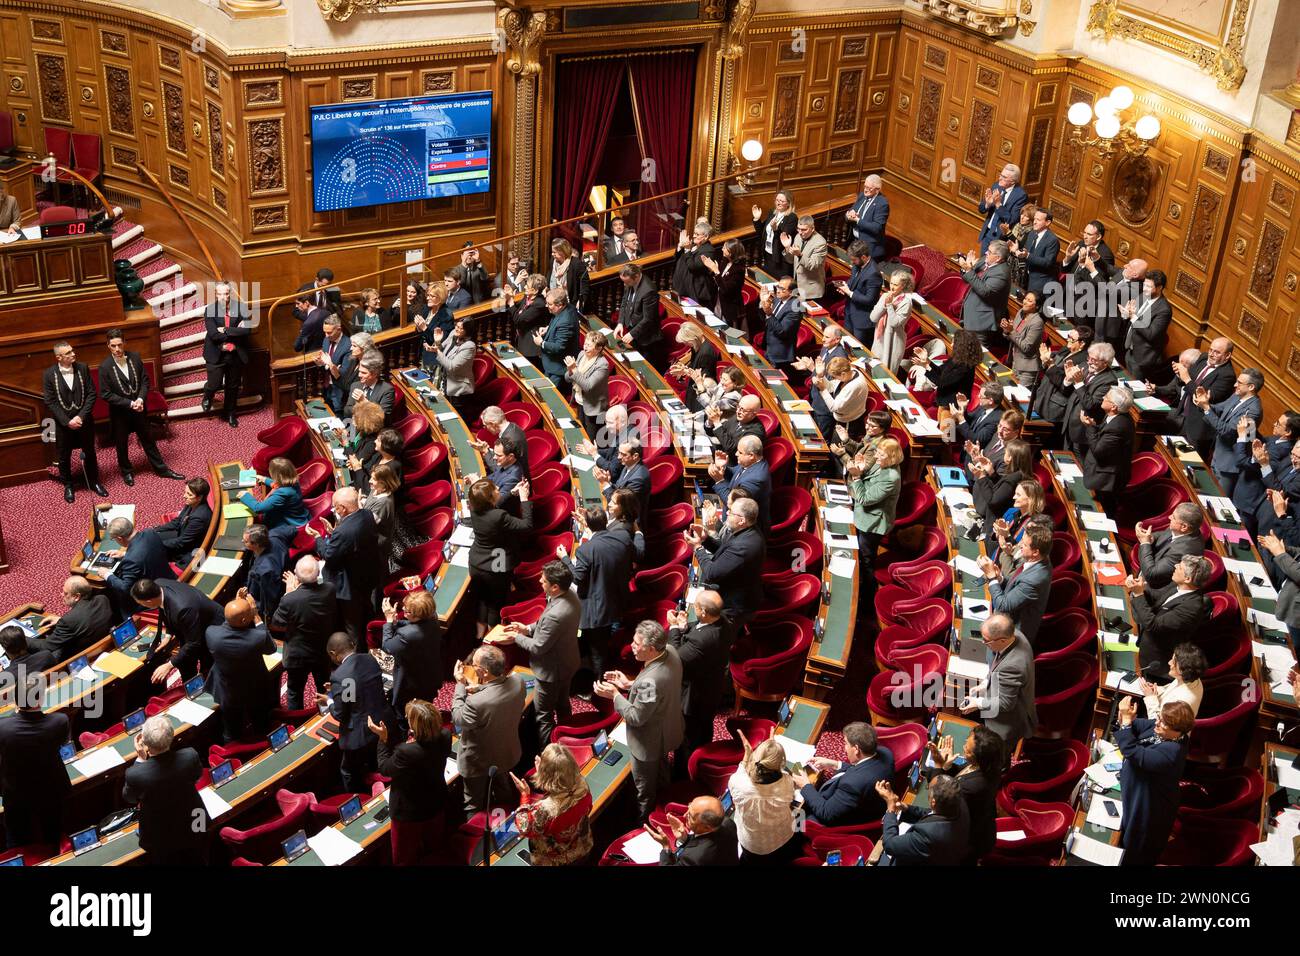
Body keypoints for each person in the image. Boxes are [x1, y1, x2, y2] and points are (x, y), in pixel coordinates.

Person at [594, 621, 683, 821]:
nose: (631, 646)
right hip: (669, 728)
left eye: (636, 644)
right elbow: (657, 687)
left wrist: (616, 695)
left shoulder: (649, 681)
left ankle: (644, 822)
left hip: (648, 743)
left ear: (651, 649)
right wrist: (629, 684)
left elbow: (636, 717)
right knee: (661, 773)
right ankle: (664, 799)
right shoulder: (670, 650)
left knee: (644, 790)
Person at [503, 561, 581, 746]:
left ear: (555, 586)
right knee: (562, 704)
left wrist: (516, 637)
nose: (539, 581)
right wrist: (527, 628)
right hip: (567, 661)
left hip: (551, 671)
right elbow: (547, 625)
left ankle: (548, 756)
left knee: (543, 716)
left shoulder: (557, 613)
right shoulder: (571, 593)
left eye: (544, 580)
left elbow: (538, 646)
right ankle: (567, 738)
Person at [1114, 697, 1194, 865]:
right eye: (1159, 717)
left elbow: (1132, 751)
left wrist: (1127, 722)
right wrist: (1127, 718)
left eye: (1163, 723)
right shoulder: (1161, 728)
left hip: (1149, 808)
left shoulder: (1172, 753)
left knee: (1135, 850)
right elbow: (1136, 726)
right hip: (1136, 791)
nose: (1156, 723)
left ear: (1178, 731)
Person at [371, 699, 451, 865]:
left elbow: (385, 769)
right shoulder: (445, 735)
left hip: (409, 814)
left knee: (403, 858)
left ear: (415, 726)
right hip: (436, 802)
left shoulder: (407, 752)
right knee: (434, 848)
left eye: (409, 718)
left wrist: (382, 739)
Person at [561, 506, 636, 681]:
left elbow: (578, 579)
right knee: (594, 644)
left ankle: (598, 686)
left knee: (597, 652)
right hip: (616, 602)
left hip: (596, 612)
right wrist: (638, 534)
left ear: (588, 524)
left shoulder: (585, 550)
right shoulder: (622, 539)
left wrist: (565, 559)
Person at [98, 330, 182, 484]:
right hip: (120, 414)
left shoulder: (135, 357)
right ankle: (127, 472)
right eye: (113, 346)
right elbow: (106, 394)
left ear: (125, 342)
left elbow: (144, 381)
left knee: (148, 439)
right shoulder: (105, 367)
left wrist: (141, 399)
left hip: (139, 408)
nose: (117, 349)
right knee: (122, 444)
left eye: (119, 344)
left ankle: (161, 469)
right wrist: (130, 403)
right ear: (108, 346)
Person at [453, 645, 526, 816]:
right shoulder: (518, 681)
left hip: (478, 761)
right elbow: (496, 696)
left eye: (474, 665)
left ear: (485, 672)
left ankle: (475, 835)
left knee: (473, 803)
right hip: (506, 752)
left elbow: (458, 718)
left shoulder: (476, 703)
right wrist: (479, 689)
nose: (472, 666)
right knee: (503, 791)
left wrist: (460, 685)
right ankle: (506, 820)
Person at [122, 716, 207, 865]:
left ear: (145, 743)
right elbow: (197, 776)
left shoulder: (135, 773)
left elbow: (130, 798)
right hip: (195, 825)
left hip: (160, 839)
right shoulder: (189, 756)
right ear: (172, 736)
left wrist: (141, 760)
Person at [0, 675, 70, 849]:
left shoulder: (3, 727)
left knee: (17, 837)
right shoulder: (60, 721)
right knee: (52, 831)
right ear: (41, 699)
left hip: (16, 793)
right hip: (51, 788)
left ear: (16, 700)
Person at [320, 631, 394, 794]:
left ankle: (358, 799)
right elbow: (358, 689)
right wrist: (337, 691)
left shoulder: (343, 675)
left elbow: (341, 712)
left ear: (333, 653)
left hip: (362, 734)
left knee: (348, 771)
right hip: (383, 722)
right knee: (377, 760)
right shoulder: (369, 659)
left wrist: (330, 700)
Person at [307, 486, 383, 645]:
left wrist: (318, 538)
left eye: (335, 506)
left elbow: (329, 556)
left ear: (342, 508)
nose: (334, 509)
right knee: (365, 610)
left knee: (352, 625)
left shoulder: (343, 532)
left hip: (349, 585)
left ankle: (355, 657)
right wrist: (334, 532)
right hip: (367, 576)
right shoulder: (367, 514)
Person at [666, 590, 730, 770]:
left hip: (694, 697)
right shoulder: (724, 621)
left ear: (703, 612)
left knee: (687, 739)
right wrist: (684, 625)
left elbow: (675, 659)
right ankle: (702, 763)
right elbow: (698, 629)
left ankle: (683, 777)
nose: (693, 606)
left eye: (696, 605)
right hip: (712, 688)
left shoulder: (702, 640)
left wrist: (674, 628)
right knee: (704, 730)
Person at [960, 613, 1036, 760]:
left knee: (996, 757)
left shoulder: (1013, 666)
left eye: (986, 641)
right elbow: (998, 660)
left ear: (1001, 640)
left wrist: (979, 703)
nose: (983, 643)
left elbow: (1006, 704)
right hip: (1003, 699)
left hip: (1006, 724)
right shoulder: (1014, 634)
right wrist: (985, 683)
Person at [924, 725, 1003, 863]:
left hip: (968, 839)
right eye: (967, 741)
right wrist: (947, 766)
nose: (964, 747)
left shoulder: (972, 786)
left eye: (968, 750)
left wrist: (938, 766)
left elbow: (937, 794)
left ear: (979, 758)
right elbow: (961, 772)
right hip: (980, 822)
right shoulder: (989, 765)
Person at [1127, 555, 1213, 681]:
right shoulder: (1178, 586)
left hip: (1157, 664)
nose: (1175, 566)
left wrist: (1139, 594)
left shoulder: (1191, 608)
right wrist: (1139, 589)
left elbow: (1154, 625)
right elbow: (1158, 601)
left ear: (1187, 578)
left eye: (1180, 567)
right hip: (1146, 645)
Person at [793, 722, 894, 828]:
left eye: (845, 743)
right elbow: (861, 768)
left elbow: (826, 813)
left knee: (796, 818)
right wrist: (835, 764)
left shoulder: (852, 785)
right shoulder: (886, 753)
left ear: (856, 749)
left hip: (841, 822)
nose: (844, 748)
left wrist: (805, 786)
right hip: (869, 803)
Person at [687, 496, 766, 632]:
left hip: (734, 606)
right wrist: (705, 539)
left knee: (724, 635)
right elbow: (724, 550)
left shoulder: (744, 545)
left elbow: (711, 574)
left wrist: (698, 548)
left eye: (731, 511)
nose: (727, 513)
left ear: (742, 520)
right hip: (736, 591)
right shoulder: (746, 531)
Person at [269, 555, 337, 710]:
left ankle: (297, 724)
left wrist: (289, 592)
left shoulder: (290, 600)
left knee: (294, 692)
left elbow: (276, 623)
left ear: (296, 575)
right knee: (324, 688)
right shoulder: (329, 590)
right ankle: (327, 714)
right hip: (322, 651)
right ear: (318, 572)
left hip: (297, 656)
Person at [205, 597, 277, 742]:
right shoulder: (258, 637)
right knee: (260, 723)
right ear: (245, 620)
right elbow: (272, 648)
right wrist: (256, 617)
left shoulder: (211, 633)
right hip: (254, 688)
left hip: (227, 691)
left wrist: (238, 603)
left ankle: (232, 753)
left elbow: (230, 620)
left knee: (231, 729)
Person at [468, 476, 533, 636]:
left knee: (482, 600)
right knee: (495, 605)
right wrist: (524, 499)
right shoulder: (499, 516)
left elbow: (493, 505)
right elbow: (527, 525)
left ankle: (479, 637)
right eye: (496, 489)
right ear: (490, 498)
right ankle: (491, 641)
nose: (498, 488)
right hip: (495, 565)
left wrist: (512, 492)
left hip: (476, 563)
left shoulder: (475, 508)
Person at [43, 341, 107, 501]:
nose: (73, 354)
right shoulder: (49, 374)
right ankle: (68, 485)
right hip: (63, 424)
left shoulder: (83, 368)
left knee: (90, 452)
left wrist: (81, 416)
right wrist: (67, 421)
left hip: (84, 420)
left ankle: (94, 481)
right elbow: (50, 401)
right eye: (68, 353)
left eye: (72, 350)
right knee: (64, 455)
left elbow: (92, 393)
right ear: (58, 357)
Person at [510, 744, 593, 865]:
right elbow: (563, 790)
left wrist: (524, 795)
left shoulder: (544, 809)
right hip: (583, 850)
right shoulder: (582, 784)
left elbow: (524, 826)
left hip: (555, 861)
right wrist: (544, 773)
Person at [727, 733, 801, 864]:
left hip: (752, 846)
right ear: (780, 763)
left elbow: (742, 773)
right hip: (783, 839)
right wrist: (772, 751)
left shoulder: (737, 782)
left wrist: (747, 756)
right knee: (802, 815)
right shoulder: (787, 782)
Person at [1194, 366, 1264, 498]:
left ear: (1251, 387)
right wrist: (1204, 403)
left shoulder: (1254, 411)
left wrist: (1207, 409)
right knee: (1206, 494)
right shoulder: (1237, 396)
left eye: (1239, 383)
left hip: (1229, 465)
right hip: (1217, 455)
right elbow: (1219, 409)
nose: (1235, 384)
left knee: (1218, 500)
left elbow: (1227, 432)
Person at [980, 522, 1053, 646]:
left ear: (1035, 552)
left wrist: (992, 577)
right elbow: (1016, 585)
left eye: (1024, 545)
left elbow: (1003, 605)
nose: (1019, 546)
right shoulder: (1038, 560)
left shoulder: (1035, 579)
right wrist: (1000, 578)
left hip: (1011, 637)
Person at [876, 774, 970, 865]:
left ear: (933, 802)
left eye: (928, 789)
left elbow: (889, 845)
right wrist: (906, 808)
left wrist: (891, 809)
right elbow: (931, 813)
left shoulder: (928, 835)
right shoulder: (958, 802)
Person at [381, 589, 442, 718]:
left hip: (411, 683)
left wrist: (389, 622)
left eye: (407, 610)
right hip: (431, 675)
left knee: (404, 713)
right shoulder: (433, 618)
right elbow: (413, 625)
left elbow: (387, 646)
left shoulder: (406, 635)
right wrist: (396, 622)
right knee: (426, 708)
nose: (403, 609)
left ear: (416, 615)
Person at [1177, 337, 1237, 463]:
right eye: (1211, 349)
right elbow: (1189, 382)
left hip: (1199, 428)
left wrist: (1186, 379)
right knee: (1175, 457)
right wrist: (1181, 375)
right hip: (1184, 416)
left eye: (1217, 352)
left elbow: (1203, 399)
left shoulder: (1227, 376)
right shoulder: (1204, 357)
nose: (1211, 354)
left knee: (1190, 464)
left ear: (1227, 355)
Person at [28, 575, 112, 663]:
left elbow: (46, 646)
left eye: (65, 593)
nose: (61, 595)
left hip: (78, 658)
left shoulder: (68, 620)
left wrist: (20, 637)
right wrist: (61, 619)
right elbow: (85, 618)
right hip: (102, 646)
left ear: (76, 597)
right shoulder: (103, 599)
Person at [201, 282, 252, 427]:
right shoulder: (210, 310)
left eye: (226, 293)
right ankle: (208, 395)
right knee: (214, 384)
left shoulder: (241, 308)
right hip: (216, 352)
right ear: (216, 294)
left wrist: (225, 329)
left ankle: (230, 412)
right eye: (220, 294)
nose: (224, 297)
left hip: (235, 352)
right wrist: (234, 332)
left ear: (231, 293)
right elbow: (213, 334)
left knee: (232, 386)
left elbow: (247, 331)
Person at [848, 437, 903, 570]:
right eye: (877, 451)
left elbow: (865, 499)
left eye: (881, 454)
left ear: (892, 457)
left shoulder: (891, 478)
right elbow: (868, 478)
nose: (876, 455)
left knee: (865, 557)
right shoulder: (882, 463)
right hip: (863, 513)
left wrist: (856, 477)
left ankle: (868, 588)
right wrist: (861, 469)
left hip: (872, 522)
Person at [1081, 385, 1137, 512]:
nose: (1103, 397)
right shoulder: (1113, 415)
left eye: (1107, 397)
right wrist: (1094, 426)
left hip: (1107, 479)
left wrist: (1090, 428)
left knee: (1104, 510)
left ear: (1114, 407)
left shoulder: (1118, 426)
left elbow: (1098, 451)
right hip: (1105, 470)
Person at [102, 517, 175, 611]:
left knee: (117, 598)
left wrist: (107, 575)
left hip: (154, 593)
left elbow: (125, 588)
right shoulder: (150, 532)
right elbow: (149, 551)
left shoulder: (131, 560)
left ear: (119, 538)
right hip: (168, 576)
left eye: (113, 539)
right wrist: (125, 554)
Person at [1062, 342, 1119, 456]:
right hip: (1069, 422)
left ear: (1106, 363)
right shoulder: (1084, 366)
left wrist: (1078, 383)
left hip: (1082, 431)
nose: (1089, 362)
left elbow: (1090, 405)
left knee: (1078, 465)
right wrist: (1068, 380)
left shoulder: (1109, 381)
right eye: (1089, 358)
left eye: (1094, 360)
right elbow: (1067, 392)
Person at [648, 795, 739, 866]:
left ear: (707, 827)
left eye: (690, 816)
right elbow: (703, 840)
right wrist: (684, 838)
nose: (684, 816)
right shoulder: (728, 823)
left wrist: (666, 846)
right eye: (689, 807)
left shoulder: (693, 858)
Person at [1133, 502, 1205, 590]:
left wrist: (1145, 543)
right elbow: (1163, 534)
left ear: (1184, 527)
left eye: (1173, 517)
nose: (1169, 517)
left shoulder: (1183, 551)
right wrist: (1150, 538)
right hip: (1143, 573)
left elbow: (1151, 574)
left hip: (1151, 590)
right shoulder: (1185, 530)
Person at [240, 457, 310, 546]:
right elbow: (281, 483)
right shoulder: (293, 480)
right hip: (296, 514)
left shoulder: (283, 493)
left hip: (289, 524)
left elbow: (258, 508)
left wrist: (245, 496)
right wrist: (265, 479)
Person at [709, 434, 772, 535]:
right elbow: (736, 473)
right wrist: (723, 467)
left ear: (751, 455)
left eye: (740, 452)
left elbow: (734, 504)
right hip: (734, 520)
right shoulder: (752, 463)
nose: (736, 454)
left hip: (744, 529)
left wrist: (719, 481)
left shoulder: (756, 479)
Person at [614, 262, 668, 371]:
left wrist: (632, 334)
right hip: (634, 333)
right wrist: (620, 323)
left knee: (645, 369)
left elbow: (648, 319)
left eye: (627, 282)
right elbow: (624, 303)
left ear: (637, 276)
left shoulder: (649, 290)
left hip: (648, 340)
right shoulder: (629, 283)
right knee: (632, 366)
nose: (625, 285)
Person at [958, 240, 1011, 349]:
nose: (986, 253)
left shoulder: (1002, 273)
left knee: (976, 356)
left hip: (982, 323)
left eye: (990, 252)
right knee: (964, 351)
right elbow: (968, 278)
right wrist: (967, 267)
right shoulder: (984, 261)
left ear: (998, 258)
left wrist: (969, 270)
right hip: (970, 316)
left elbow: (985, 291)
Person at [971, 437, 1034, 528]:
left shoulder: (1012, 480)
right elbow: (1002, 490)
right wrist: (992, 472)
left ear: (1010, 458)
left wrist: (981, 477)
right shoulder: (1021, 473)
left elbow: (993, 501)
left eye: (1006, 452)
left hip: (995, 523)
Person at [1124, 269, 1172, 382]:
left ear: (1160, 288)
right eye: (1144, 285)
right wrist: (1126, 314)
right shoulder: (1143, 296)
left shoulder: (1164, 310)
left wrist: (1133, 317)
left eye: (1149, 286)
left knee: (1134, 390)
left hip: (1142, 358)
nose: (1144, 288)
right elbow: (1132, 317)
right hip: (1129, 350)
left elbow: (1151, 334)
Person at [918, 329, 981, 409]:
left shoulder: (965, 366)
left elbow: (941, 382)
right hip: (944, 403)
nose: (951, 345)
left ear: (961, 346)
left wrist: (927, 366)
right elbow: (941, 370)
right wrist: (928, 361)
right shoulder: (957, 359)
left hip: (952, 407)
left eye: (954, 343)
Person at [1139, 643, 1206, 719]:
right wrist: (1157, 690)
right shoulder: (1189, 677)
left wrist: (1150, 697)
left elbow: (1158, 724)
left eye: (1173, 662)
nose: (1169, 663)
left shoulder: (1181, 703)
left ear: (1182, 671)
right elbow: (1172, 691)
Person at [154, 477, 213, 561]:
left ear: (199, 497)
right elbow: (178, 521)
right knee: (153, 536)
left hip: (188, 548)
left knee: (152, 551)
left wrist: (157, 545)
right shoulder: (192, 503)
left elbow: (182, 542)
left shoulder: (199, 518)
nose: (184, 496)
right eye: (185, 492)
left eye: (189, 494)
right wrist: (157, 529)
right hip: (182, 533)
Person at [835, 240, 883, 345]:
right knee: (846, 344)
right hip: (850, 313)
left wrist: (850, 293)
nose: (852, 262)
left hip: (862, 321)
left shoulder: (874, 274)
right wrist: (845, 286)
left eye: (854, 260)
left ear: (864, 257)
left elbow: (870, 299)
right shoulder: (857, 265)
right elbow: (853, 280)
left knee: (857, 349)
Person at [565, 330, 610, 438]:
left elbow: (588, 386)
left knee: (592, 438)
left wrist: (574, 370)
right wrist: (570, 370)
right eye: (585, 344)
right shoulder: (581, 355)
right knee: (581, 433)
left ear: (599, 348)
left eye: (589, 345)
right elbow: (567, 378)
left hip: (595, 409)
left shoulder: (602, 365)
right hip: (580, 401)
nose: (585, 347)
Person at [668, 322, 721, 413]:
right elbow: (695, 368)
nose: (686, 345)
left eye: (686, 342)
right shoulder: (696, 345)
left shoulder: (706, 353)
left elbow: (702, 379)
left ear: (693, 339)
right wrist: (684, 369)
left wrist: (685, 371)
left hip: (702, 391)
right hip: (694, 387)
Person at [870, 267, 914, 373]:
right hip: (880, 339)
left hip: (893, 341)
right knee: (874, 370)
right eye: (891, 283)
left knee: (888, 373)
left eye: (895, 285)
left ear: (903, 286)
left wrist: (889, 305)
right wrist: (885, 304)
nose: (892, 287)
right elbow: (873, 317)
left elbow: (895, 322)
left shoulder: (906, 302)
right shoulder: (885, 295)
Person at [536, 287, 581, 392]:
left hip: (558, 367)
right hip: (551, 363)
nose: (546, 306)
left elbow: (559, 347)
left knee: (548, 396)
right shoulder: (567, 307)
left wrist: (541, 343)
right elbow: (557, 320)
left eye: (550, 304)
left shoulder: (566, 321)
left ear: (560, 305)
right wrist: (548, 328)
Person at [431, 316, 477, 414]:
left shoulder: (469, 346)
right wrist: (437, 341)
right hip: (445, 382)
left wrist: (437, 351)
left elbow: (452, 366)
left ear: (467, 331)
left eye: (461, 328)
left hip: (458, 391)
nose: (457, 329)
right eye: (457, 326)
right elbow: (441, 349)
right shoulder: (453, 334)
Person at [597, 439, 651, 523]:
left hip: (628, 521)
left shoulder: (639, 479)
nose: (618, 457)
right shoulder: (628, 465)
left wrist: (605, 484)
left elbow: (620, 503)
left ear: (635, 456)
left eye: (623, 454)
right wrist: (609, 481)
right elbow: (619, 487)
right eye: (619, 453)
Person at [242, 523, 287, 624]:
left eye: (245, 542)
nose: (242, 542)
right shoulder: (275, 537)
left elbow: (266, 601)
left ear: (256, 545)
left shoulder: (261, 572)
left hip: (270, 598)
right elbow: (293, 530)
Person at [1010, 207, 1060, 297]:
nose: (1034, 222)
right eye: (1035, 219)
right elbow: (1025, 253)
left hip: (1041, 282)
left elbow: (1047, 262)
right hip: (1026, 278)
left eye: (1038, 220)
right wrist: (1016, 251)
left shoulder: (1052, 240)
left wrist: (1028, 255)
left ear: (1047, 223)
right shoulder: (1032, 233)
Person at [700, 238, 748, 331]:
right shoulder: (725, 261)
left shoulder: (738, 270)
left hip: (730, 308)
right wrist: (711, 269)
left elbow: (726, 289)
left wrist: (716, 271)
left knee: (727, 332)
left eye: (725, 248)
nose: (722, 249)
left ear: (731, 252)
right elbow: (719, 279)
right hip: (718, 302)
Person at [977, 163, 1027, 253]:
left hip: (1001, 239)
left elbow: (1012, 220)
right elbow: (981, 209)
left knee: (992, 265)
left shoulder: (1020, 195)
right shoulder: (996, 186)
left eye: (1004, 177)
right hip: (987, 234)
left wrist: (999, 205)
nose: (1000, 178)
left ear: (1013, 181)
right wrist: (987, 204)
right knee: (982, 265)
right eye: (1001, 174)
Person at [758, 276, 803, 375]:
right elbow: (764, 319)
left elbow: (782, 332)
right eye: (778, 287)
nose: (778, 291)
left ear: (791, 292)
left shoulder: (796, 308)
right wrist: (763, 302)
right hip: (769, 347)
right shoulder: (778, 299)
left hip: (780, 355)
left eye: (782, 289)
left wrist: (769, 314)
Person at [708, 392, 766, 466]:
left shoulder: (755, 432)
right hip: (720, 453)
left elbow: (733, 450)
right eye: (738, 407)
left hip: (732, 464)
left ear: (753, 414)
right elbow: (718, 431)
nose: (738, 411)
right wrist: (710, 422)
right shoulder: (739, 416)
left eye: (743, 410)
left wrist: (716, 422)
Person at [474, 406, 531, 479]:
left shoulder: (509, 439)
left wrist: (485, 451)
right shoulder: (513, 427)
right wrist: (487, 449)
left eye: (485, 426)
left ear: (492, 424)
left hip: (514, 482)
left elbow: (498, 469)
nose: (485, 428)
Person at [1002, 291, 1044, 386]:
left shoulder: (1037, 322)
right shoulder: (1020, 313)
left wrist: (1011, 331)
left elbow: (1026, 347)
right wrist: (1006, 330)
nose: (1024, 302)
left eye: (1029, 301)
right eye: (1025, 298)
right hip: (1015, 362)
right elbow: (1011, 336)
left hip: (1027, 370)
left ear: (1036, 306)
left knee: (1020, 399)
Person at [751, 191, 798, 278]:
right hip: (768, 255)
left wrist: (776, 230)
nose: (778, 203)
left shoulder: (792, 217)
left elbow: (784, 239)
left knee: (778, 286)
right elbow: (761, 233)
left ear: (788, 203)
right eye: (777, 200)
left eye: (782, 201)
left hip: (780, 259)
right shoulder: (772, 212)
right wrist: (757, 219)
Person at [782, 215, 828, 300]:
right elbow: (791, 260)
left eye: (804, 230)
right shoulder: (797, 237)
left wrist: (799, 255)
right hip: (797, 286)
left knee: (806, 313)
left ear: (812, 228)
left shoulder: (820, 243)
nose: (800, 232)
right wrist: (787, 248)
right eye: (798, 229)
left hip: (811, 290)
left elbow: (813, 265)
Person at [846, 174, 890, 259]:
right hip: (854, 243)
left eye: (869, 188)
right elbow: (850, 211)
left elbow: (877, 228)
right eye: (865, 186)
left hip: (869, 248)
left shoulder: (882, 203)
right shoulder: (862, 196)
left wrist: (858, 220)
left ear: (877, 190)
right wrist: (848, 215)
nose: (865, 190)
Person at [343, 352, 395, 422]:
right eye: (359, 371)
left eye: (364, 373)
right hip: (356, 426)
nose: (359, 375)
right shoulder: (355, 385)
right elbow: (346, 411)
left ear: (375, 374)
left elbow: (383, 418)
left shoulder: (387, 390)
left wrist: (364, 401)